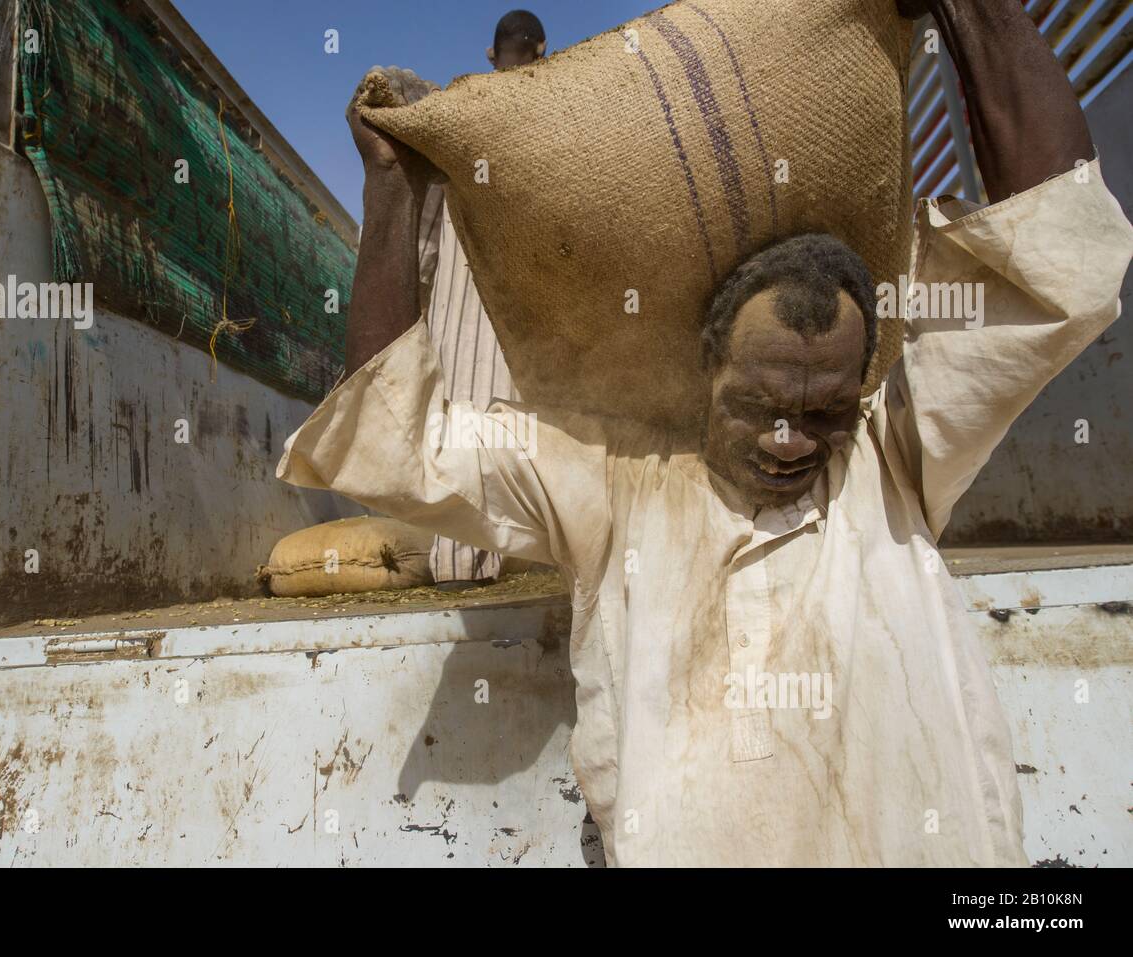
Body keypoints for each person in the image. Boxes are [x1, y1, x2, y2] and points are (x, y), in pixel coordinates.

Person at [281, 0, 1133, 865]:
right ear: (705, 373)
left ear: (862, 389)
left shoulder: (896, 448)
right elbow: (392, 443)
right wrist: (389, 190)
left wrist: (972, 10)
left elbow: (1064, 256)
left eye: (824, 410)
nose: (793, 439)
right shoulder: (606, 477)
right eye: (760, 405)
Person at [417, 9, 547, 588]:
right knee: (517, 441)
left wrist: (422, 307)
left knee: (465, 439)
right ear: (542, 52)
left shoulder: (454, 119)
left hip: (459, 312)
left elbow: (422, 242)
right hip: (521, 318)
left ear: (489, 55)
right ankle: (517, 561)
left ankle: (457, 572)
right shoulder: (554, 127)